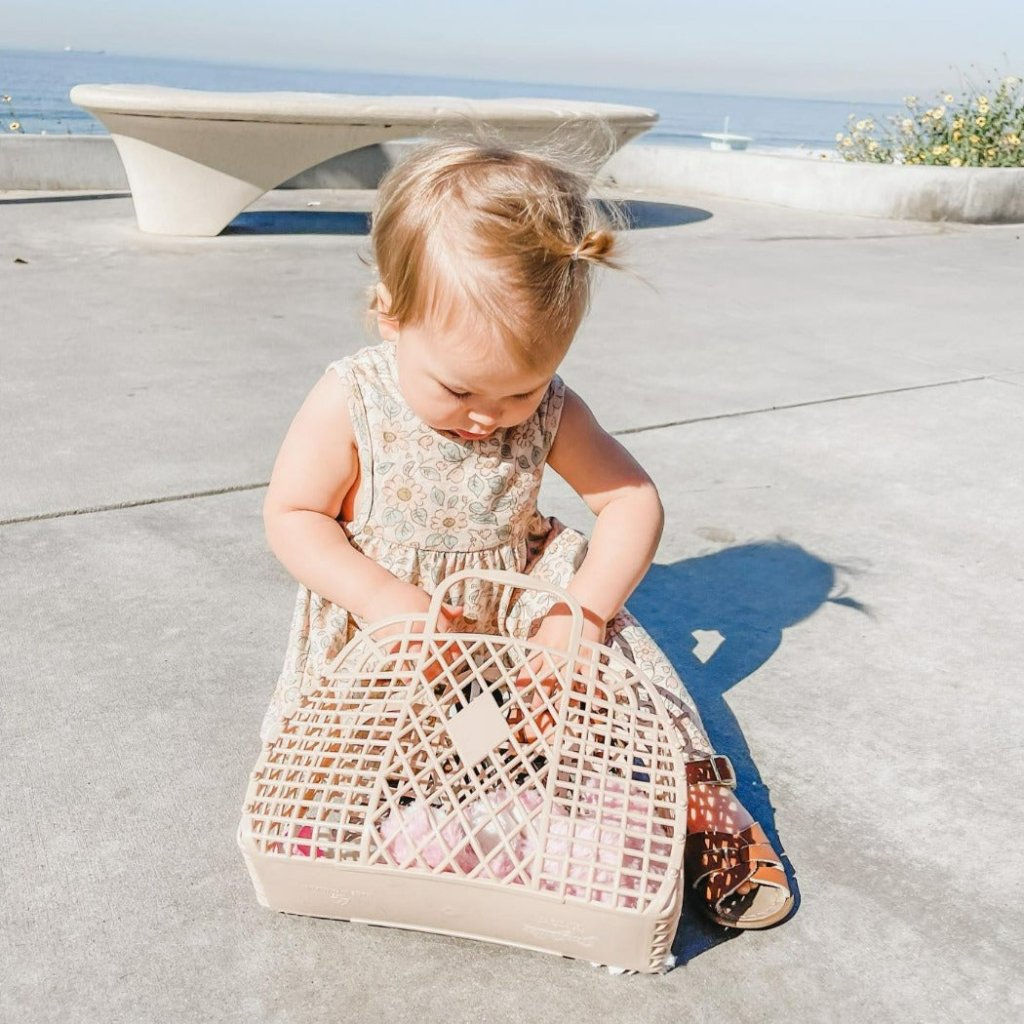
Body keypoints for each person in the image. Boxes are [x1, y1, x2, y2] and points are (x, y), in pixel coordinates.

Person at [259, 128, 793, 930]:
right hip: (393, 633)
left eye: (519, 393)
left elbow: (629, 500)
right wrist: (380, 596)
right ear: (388, 316)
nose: (489, 417)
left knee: (638, 698)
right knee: (347, 770)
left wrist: (579, 611)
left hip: (522, 624)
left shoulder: (550, 406)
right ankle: (428, 804)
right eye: (460, 390)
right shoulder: (351, 399)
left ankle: (706, 817)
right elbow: (294, 516)